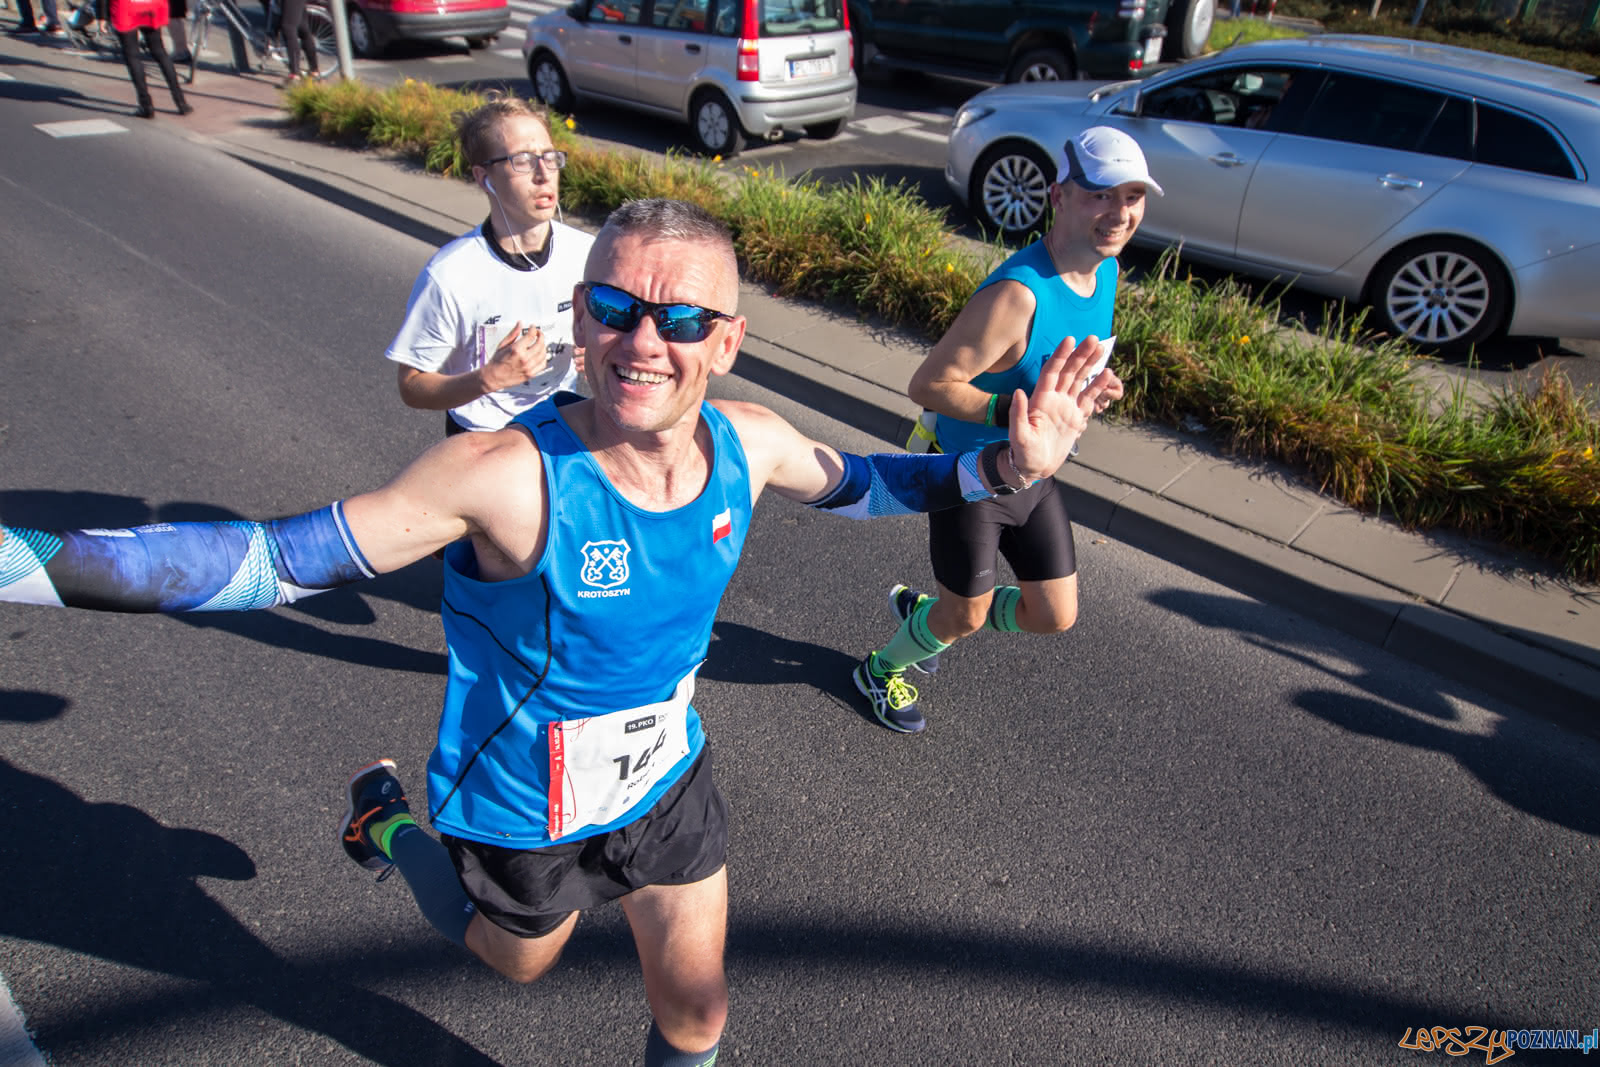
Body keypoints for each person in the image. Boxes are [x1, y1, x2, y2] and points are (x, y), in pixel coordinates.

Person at [0, 199, 1115, 1066]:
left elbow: (873, 481)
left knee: (697, 1001)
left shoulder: (752, 441)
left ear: (726, 339)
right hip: (521, 797)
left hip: (665, 775)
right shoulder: (502, 475)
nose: (644, 340)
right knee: (511, 962)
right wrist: (23, 561)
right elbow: (269, 559)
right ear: (578, 317)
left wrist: (1008, 466)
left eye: (680, 319)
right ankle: (387, 826)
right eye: (616, 308)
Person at [854, 125, 1159, 734]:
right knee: (965, 619)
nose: (1120, 213)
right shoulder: (1017, 295)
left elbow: (1061, 363)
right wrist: (1018, 415)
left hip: (1038, 470)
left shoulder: (1105, 272)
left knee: (1054, 613)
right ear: (1060, 196)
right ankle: (881, 666)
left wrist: (1086, 389)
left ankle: (929, 614)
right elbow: (929, 386)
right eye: (1101, 195)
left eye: (1132, 196)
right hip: (973, 477)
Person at [386, 96, 592, 437]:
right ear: (485, 178)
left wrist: (596, 349)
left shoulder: (586, 253)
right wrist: (490, 377)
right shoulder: (450, 275)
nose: (544, 175)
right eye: (523, 161)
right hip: (483, 437)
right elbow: (411, 386)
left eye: (550, 158)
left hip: (560, 427)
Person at [108, 0, 190, 119]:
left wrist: (102, 16)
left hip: (126, 7)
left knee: (132, 56)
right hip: (151, 5)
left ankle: (146, 105)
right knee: (160, 52)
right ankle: (181, 102)